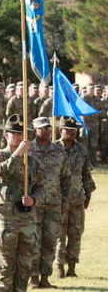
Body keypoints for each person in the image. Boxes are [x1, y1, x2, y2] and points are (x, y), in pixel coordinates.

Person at [0, 115, 44, 292]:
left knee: (25, 261)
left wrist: (34, 200)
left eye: (22, 134)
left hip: (27, 217)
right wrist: (17, 154)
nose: (20, 137)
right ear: (6, 135)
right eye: (15, 134)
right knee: (6, 260)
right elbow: (0, 174)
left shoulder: (32, 161)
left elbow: (41, 187)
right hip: (7, 216)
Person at [28, 117, 69, 289]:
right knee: (33, 241)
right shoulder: (28, 150)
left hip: (53, 203)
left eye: (48, 128)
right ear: (35, 130)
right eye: (42, 128)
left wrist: (64, 202)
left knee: (50, 241)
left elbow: (66, 179)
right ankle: (34, 278)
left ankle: (45, 276)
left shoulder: (59, 152)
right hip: (34, 204)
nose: (45, 131)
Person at [55, 118, 96, 278]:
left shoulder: (81, 150)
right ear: (60, 131)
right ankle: (59, 267)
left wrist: (88, 195)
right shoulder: (54, 149)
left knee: (76, 233)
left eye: (74, 130)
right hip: (58, 200)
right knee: (59, 234)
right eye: (68, 130)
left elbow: (86, 174)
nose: (71, 133)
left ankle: (72, 267)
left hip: (77, 199)